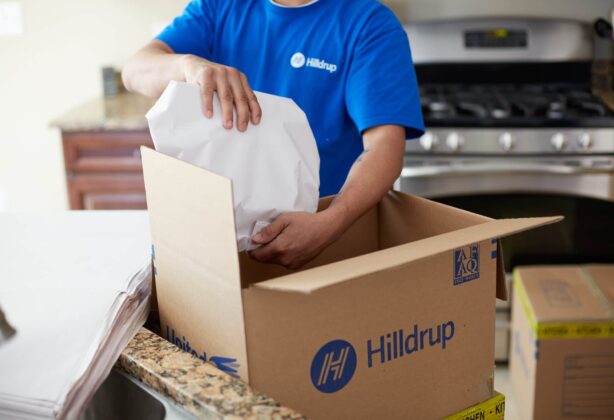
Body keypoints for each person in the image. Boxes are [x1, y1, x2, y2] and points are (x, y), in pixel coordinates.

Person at [123, 0, 424, 269]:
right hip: (214, 241)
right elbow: (135, 71)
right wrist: (187, 66)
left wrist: (330, 223)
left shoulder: (368, 22)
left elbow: (384, 145)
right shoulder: (219, 7)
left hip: (325, 238)